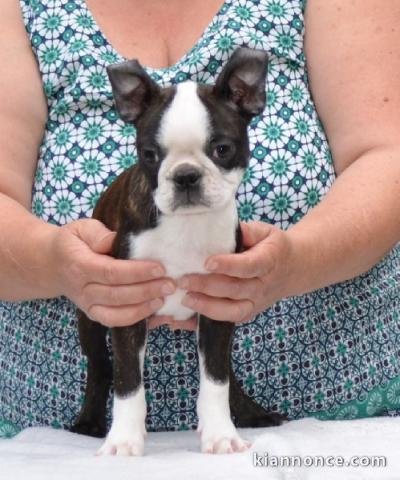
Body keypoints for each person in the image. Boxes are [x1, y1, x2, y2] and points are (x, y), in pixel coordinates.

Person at [0, 0, 399, 439]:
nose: (187, 176)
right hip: (58, 442)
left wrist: (298, 262)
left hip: (330, 419)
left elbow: (387, 154)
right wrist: (52, 263)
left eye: (220, 152)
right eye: (156, 156)